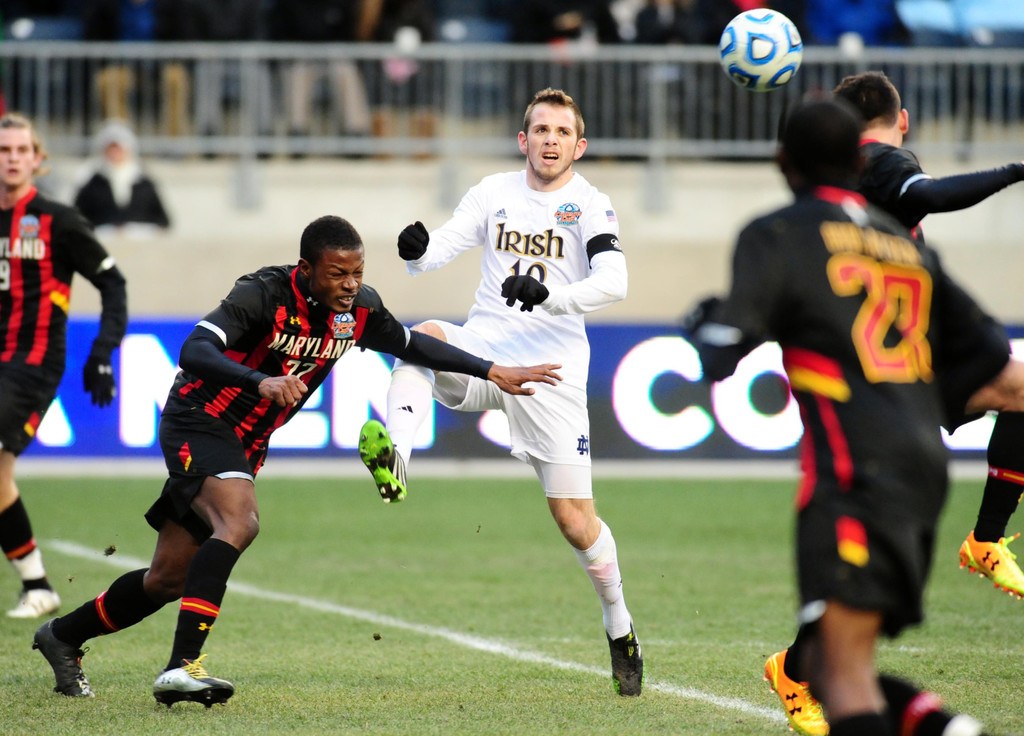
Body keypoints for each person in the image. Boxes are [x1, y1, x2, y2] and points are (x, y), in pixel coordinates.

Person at [32, 214, 560, 704]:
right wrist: (259, 380)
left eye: (357, 273)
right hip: (199, 416)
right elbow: (193, 350)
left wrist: (491, 370)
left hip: (245, 441)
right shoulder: (261, 295)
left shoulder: (359, 312)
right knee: (240, 521)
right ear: (306, 269)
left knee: (167, 579)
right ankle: (182, 667)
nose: (350, 285)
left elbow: (413, 347)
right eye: (337, 274)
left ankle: (62, 635)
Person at [683, 98, 1018, 736]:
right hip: (926, 469)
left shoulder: (779, 232)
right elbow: (986, 351)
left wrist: (702, 325)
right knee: (844, 662)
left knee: (840, 676)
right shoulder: (902, 242)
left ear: (784, 163)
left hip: (853, 473)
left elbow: (721, 355)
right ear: (858, 161)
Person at [357, 87, 643, 697]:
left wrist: (552, 298)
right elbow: (444, 245)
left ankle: (620, 629)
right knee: (421, 338)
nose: (549, 140)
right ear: (523, 140)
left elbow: (613, 281)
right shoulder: (493, 193)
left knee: (574, 521)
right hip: (484, 350)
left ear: (579, 145)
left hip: (553, 372)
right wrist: (417, 251)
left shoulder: (591, 205)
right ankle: (398, 461)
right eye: (540, 130)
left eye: (561, 132)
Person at [0, 113, 128, 618]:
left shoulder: (59, 221)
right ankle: (38, 586)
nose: (11, 158)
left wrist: (103, 351)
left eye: (19, 150)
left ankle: (38, 586)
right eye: (3, 149)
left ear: (38, 159)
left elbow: (113, 284)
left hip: (30, 364)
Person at [72, 119, 171, 235]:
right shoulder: (92, 184)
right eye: (111, 150)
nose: (115, 155)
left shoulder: (144, 183)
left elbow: (163, 221)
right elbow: (78, 220)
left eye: (119, 150)